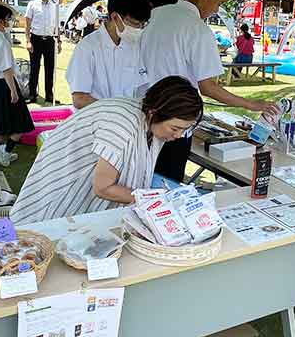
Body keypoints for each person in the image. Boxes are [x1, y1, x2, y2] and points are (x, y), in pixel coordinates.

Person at [141, 0, 279, 182]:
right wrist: (251, 104)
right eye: (219, 3)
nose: (216, 10)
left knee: (139, 183)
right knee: (164, 191)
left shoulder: (157, 14)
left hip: (145, 116)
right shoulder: (197, 28)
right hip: (174, 123)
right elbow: (208, 87)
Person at [10, 76, 203, 225]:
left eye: (184, 130)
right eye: (176, 129)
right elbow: (103, 187)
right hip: (57, 197)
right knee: (41, 247)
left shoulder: (148, 118)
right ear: (154, 112)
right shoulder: (122, 127)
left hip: (78, 202)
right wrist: (154, 200)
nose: (178, 136)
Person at [66, 0, 151, 109]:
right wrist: (115, 109)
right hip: (96, 121)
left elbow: (141, 87)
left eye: (143, 24)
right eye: (135, 23)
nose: (139, 28)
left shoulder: (133, 45)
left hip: (128, 120)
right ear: (115, 17)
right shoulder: (88, 47)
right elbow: (80, 99)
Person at [0, 5, 34, 167]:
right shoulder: (0, 41)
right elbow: (6, 69)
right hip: (3, 84)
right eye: (9, 19)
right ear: (1, 22)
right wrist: (13, 91)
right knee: (21, 122)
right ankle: (5, 152)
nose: (11, 22)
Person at [25, 0, 62, 104]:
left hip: (50, 40)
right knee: (34, 69)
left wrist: (59, 41)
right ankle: (32, 95)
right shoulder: (32, 4)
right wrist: (28, 41)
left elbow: (57, 25)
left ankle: (49, 95)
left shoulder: (54, 6)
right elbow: (27, 24)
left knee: (49, 69)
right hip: (36, 39)